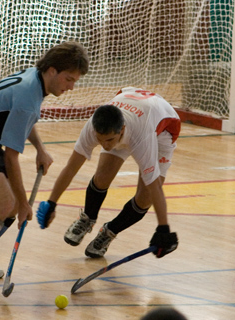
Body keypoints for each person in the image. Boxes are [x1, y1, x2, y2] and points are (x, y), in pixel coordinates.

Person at [0, 41, 90, 298]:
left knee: (7, 206)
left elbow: (21, 120)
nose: (71, 87)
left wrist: (40, 148)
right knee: (6, 202)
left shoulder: (34, 80)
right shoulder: (28, 96)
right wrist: (23, 203)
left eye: (75, 81)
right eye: (69, 79)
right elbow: (12, 158)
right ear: (52, 71)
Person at [36, 87, 180, 259]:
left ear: (122, 130)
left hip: (162, 130)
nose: (104, 145)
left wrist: (163, 228)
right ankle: (87, 218)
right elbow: (71, 168)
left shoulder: (141, 137)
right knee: (103, 175)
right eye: (100, 139)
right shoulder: (93, 128)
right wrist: (52, 203)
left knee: (146, 196)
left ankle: (109, 232)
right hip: (132, 107)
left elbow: (155, 186)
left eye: (109, 140)